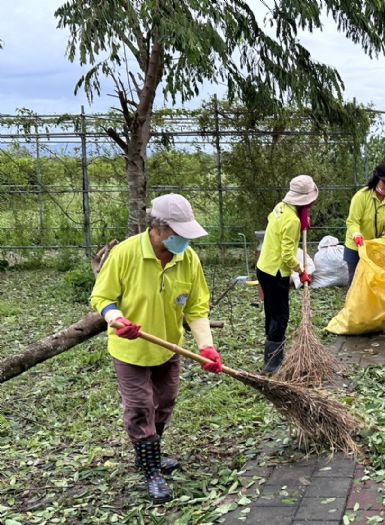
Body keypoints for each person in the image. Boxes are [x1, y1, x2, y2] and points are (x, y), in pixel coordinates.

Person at [90, 193, 223, 503]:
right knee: (140, 408)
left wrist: (206, 347)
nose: (184, 240)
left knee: (164, 402)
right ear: (159, 228)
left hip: (169, 348)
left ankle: (150, 454)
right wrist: (116, 318)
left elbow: (197, 308)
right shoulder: (125, 254)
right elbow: (101, 297)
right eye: (177, 233)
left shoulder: (187, 259)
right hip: (131, 351)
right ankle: (151, 471)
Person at [256, 175, 317, 374]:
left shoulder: (280, 207)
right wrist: (301, 272)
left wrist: (302, 220)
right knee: (280, 316)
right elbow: (288, 255)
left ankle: (272, 356)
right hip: (275, 273)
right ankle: (273, 364)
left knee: (272, 312)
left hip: (263, 268)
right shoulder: (292, 221)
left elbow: (275, 226)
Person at [343, 162, 385, 326]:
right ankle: (354, 317)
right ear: (376, 180)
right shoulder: (362, 196)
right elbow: (352, 222)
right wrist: (357, 236)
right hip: (356, 246)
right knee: (356, 281)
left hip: (378, 246)